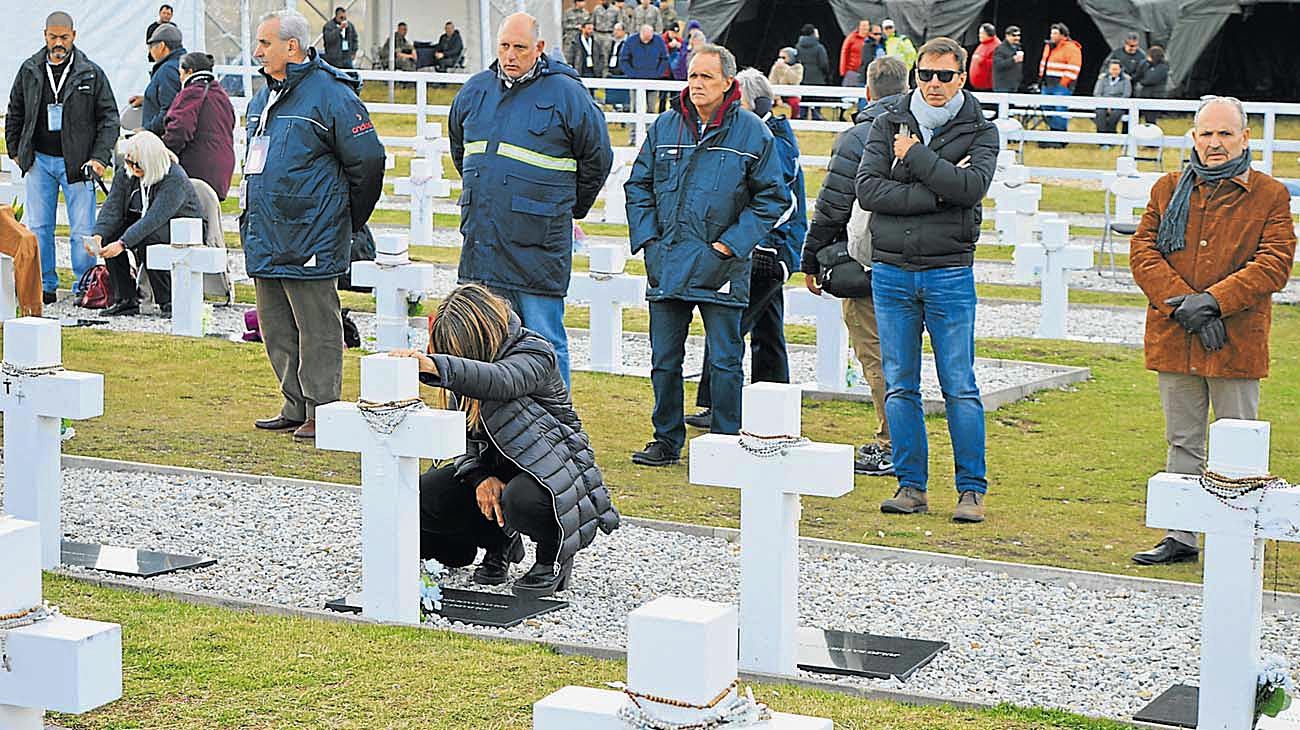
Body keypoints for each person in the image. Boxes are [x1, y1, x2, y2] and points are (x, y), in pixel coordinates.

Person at [1128, 97, 1296, 565]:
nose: (1215, 143)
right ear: (1194, 138)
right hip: (1176, 335)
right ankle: (1182, 535)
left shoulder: (1269, 195)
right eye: (1206, 134)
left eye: (1225, 134)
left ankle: (1238, 537)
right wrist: (1184, 304)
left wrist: (1215, 303)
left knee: (1237, 440)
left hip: (1235, 340)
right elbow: (1143, 251)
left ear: (1245, 137)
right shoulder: (1167, 189)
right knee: (1183, 440)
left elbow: (1274, 263)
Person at [394, 284, 620, 597]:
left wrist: (437, 366)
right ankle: (499, 545)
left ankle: (551, 556)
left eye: (459, 352)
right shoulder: (465, 369)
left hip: (551, 471)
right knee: (424, 496)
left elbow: (502, 380)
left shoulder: (533, 351)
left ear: (482, 335)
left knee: (522, 499)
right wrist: (480, 477)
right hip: (497, 467)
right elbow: (461, 438)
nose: (455, 359)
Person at [624, 43, 788, 467]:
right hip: (669, 263)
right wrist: (650, 242)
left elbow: (771, 196)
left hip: (722, 266)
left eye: (706, 77)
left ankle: (727, 444)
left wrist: (730, 244)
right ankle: (665, 439)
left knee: (726, 360)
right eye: (692, 76)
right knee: (664, 361)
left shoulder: (753, 132)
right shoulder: (664, 127)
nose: (696, 84)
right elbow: (637, 186)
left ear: (728, 83)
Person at [855, 36, 998, 522]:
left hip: (949, 273)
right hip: (893, 272)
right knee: (900, 386)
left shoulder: (981, 130)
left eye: (944, 76)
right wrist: (940, 190)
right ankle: (910, 485)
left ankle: (970, 491)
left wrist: (913, 159)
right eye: (925, 75)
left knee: (959, 384)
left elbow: (972, 187)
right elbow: (869, 190)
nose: (933, 85)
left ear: (962, 78)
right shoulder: (886, 120)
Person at [447, 13, 613, 390]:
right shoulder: (475, 91)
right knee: (483, 346)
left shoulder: (566, 94)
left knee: (544, 342)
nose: (510, 55)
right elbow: (464, 154)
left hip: (537, 245)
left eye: (519, 47)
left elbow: (597, 158)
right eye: (504, 46)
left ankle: (557, 432)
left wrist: (568, 209)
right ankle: (489, 436)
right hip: (483, 243)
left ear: (539, 48)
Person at [244, 9, 386, 440]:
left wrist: (346, 218)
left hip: (311, 233)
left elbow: (369, 160)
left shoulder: (332, 95)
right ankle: (295, 403)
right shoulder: (263, 98)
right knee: (275, 324)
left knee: (317, 327)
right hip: (268, 231)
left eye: (265, 44)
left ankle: (322, 409)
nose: (257, 52)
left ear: (292, 47)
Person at [803, 55, 910, 477]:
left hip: (869, 261)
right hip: (918, 260)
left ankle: (892, 443)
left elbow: (832, 205)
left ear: (868, 91)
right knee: (902, 356)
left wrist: (810, 258)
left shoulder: (856, 138)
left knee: (876, 355)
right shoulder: (923, 130)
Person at [685, 68, 805, 431]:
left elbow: (777, 202)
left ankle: (718, 404)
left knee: (728, 325)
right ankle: (772, 401)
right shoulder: (775, 135)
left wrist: (746, 240)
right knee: (767, 330)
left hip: (763, 251)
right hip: (770, 249)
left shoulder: (770, 140)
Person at [5, 11, 118, 304]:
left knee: (82, 229)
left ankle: (86, 286)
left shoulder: (91, 73)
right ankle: (45, 285)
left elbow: (109, 118)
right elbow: (14, 110)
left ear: (74, 36)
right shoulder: (30, 69)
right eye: (53, 37)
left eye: (64, 37)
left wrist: (99, 159)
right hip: (39, 161)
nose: (58, 43)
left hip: (79, 164)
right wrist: (16, 151)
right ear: (44, 35)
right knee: (39, 227)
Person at [86, 131, 199, 316]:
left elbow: (154, 219)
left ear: (150, 161)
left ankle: (168, 300)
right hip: (144, 220)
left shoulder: (174, 179)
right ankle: (125, 299)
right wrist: (98, 236)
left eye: (136, 163)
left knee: (149, 238)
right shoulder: (127, 172)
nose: (131, 167)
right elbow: (112, 206)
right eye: (128, 161)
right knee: (109, 235)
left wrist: (123, 244)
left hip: (181, 226)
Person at [162, 52, 236, 200]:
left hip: (198, 168)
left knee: (189, 220)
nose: (180, 78)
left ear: (189, 72)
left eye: (181, 73)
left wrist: (164, 152)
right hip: (222, 169)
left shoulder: (192, 92)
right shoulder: (221, 95)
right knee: (209, 218)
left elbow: (180, 128)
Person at [1037, 22, 1082, 144]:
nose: (1052, 35)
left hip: (1060, 85)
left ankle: (1060, 136)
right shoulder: (1049, 47)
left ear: (1063, 35)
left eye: (1055, 33)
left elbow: (1074, 67)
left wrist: (1063, 83)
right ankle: (1053, 133)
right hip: (1047, 84)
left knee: (1059, 109)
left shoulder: (1072, 48)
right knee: (1046, 107)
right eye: (1052, 32)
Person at [622, 24, 670, 119]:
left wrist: (657, 74)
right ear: (641, 33)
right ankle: (633, 133)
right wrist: (632, 74)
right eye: (645, 38)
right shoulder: (631, 41)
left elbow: (664, 59)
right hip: (636, 81)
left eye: (649, 38)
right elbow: (624, 60)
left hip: (653, 81)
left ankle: (650, 132)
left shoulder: (658, 41)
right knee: (635, 109)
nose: (647, 41)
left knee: (651, 109)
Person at [1092, 59, 1132, 135]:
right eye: (1112, 69)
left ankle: (1112, 134)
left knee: (1115, 115)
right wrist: (1107, 104)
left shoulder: (1126, 80)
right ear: (1108, 69)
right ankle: (1102, 138)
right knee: (1100, 113)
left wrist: (1114, 104)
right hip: (1103, 104)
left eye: (1116, 69)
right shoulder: (1103, 79)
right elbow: (1097, 93)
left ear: (1120, 70)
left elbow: (1126, 94)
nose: (1114, 71)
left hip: (1119, 105)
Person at [1135, 46, 1169, 124]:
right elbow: (1138, 75)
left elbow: (1149, 80)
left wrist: (1141, 81)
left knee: (1150, 120)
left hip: (1154, 96)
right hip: (1145, 95)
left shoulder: (1162, 67)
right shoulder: (1146, 65)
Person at [768, 47, 802, 118]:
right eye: (780, 57)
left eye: (784, 57)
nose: (781, 60)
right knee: (766, 102)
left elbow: (794, 81)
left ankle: (795, 120)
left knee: (795, 103)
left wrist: (784, 67)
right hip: (777, 93)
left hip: (791, 94)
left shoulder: (798, 67)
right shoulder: (776, 67)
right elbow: (772, 81)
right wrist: (777, 98)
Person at [992, 25, 1024, 93]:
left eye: (1018, 35)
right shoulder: (1000, 49)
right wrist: (1013, 60)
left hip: (1014, 85)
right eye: (1014, 35)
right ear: (1007, 36)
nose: (1017, 38)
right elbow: (998, 65)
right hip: (1003, 86)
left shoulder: (1018, 48)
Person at [839, 20, 871, 87]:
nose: (864, 28)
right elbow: (844, 53)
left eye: (866, 25)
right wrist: (843, 71)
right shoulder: (851, 38)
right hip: (853, 72)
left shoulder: (871, 39)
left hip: (867, 73)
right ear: (859, 27)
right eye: (863, 25)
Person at [968, 23, 999, 92]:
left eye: (981, 33)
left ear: (989, 34)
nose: (979, 35)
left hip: (987, 88)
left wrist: (982, 61)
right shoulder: (983, 44)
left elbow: (998, 64)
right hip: (978, 87)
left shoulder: (997, 46)